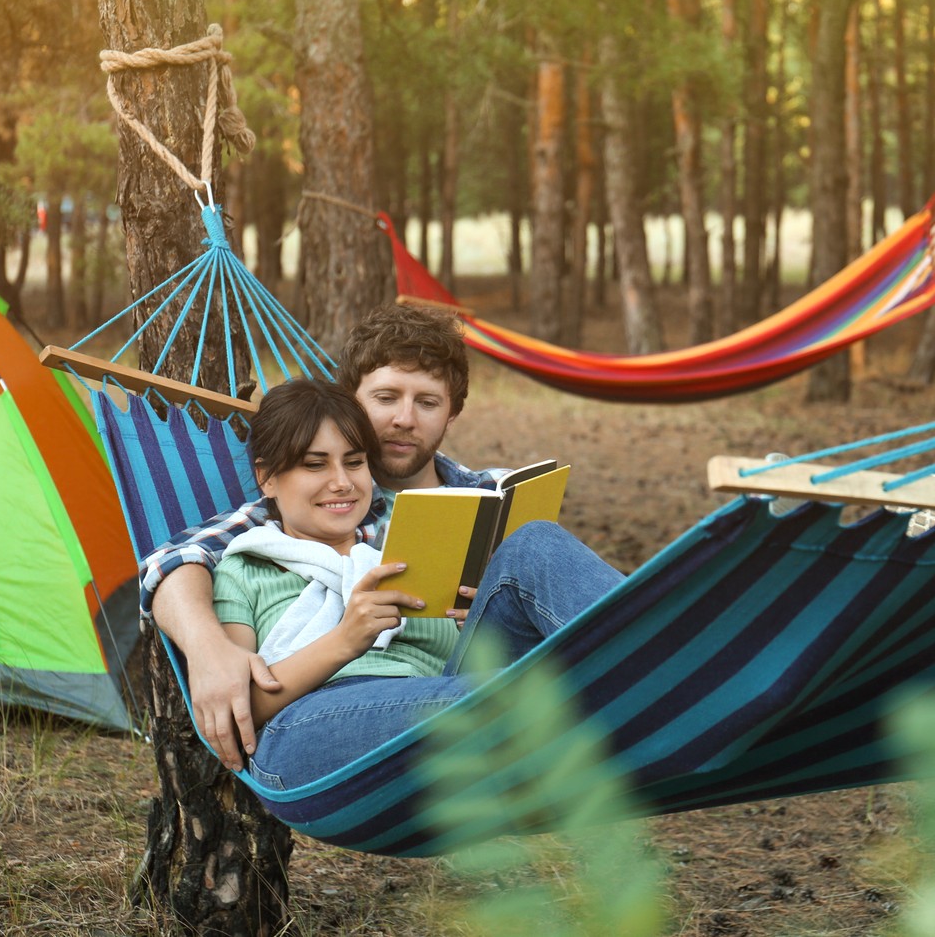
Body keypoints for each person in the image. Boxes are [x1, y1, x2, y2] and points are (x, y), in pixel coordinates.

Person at [144, 303, 622, 774]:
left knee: (535, 541)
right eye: (387, 397)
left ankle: (648, 653)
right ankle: (578, 703)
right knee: (510, 697)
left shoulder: (481, 501)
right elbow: (175, 560)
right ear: (354, 400)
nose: (404, 420)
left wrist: (487, 611)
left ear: (452, 413)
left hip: (449, 691)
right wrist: (209, 648)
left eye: (427, 402)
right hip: (338, 719)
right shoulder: (261, 543)